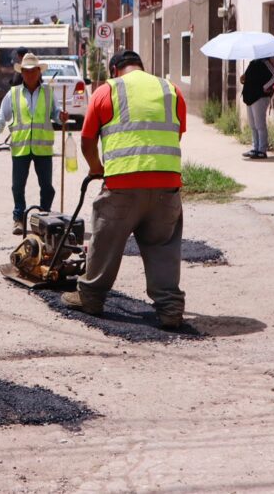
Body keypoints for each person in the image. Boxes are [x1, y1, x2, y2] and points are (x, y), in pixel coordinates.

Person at [61, 50, 188, 330]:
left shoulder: (108, 91)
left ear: (115, 69)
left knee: (105, 241)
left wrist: (96, 168)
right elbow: (175, 135)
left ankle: (91, 297)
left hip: (121, 186)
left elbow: (86, 140)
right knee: (162, 246)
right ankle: (170, 309)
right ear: (141, 67)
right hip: (166, 185)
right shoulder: (171, 90)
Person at [0, 53, 67, 234]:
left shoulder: (48, 92)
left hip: (43, 148)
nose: (30, 74)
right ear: (22, 73)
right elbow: (1, 118)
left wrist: (61, 117)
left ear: (39, 72)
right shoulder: (13, 94)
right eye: (26, 71)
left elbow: (56, 114)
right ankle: (19, 218)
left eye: (33, 71)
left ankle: (44, 217)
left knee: (47, 186)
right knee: (18, 186)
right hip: (20, 148)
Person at [240, 56, 274, 159]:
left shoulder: (265, 62)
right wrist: (243, 78)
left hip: (260, 97)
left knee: (260, 125)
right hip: (249, 97)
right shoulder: (252, 62)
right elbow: (250, 78)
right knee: (253, 125)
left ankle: (262, 150)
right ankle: (255, 148)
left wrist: (265, 87)